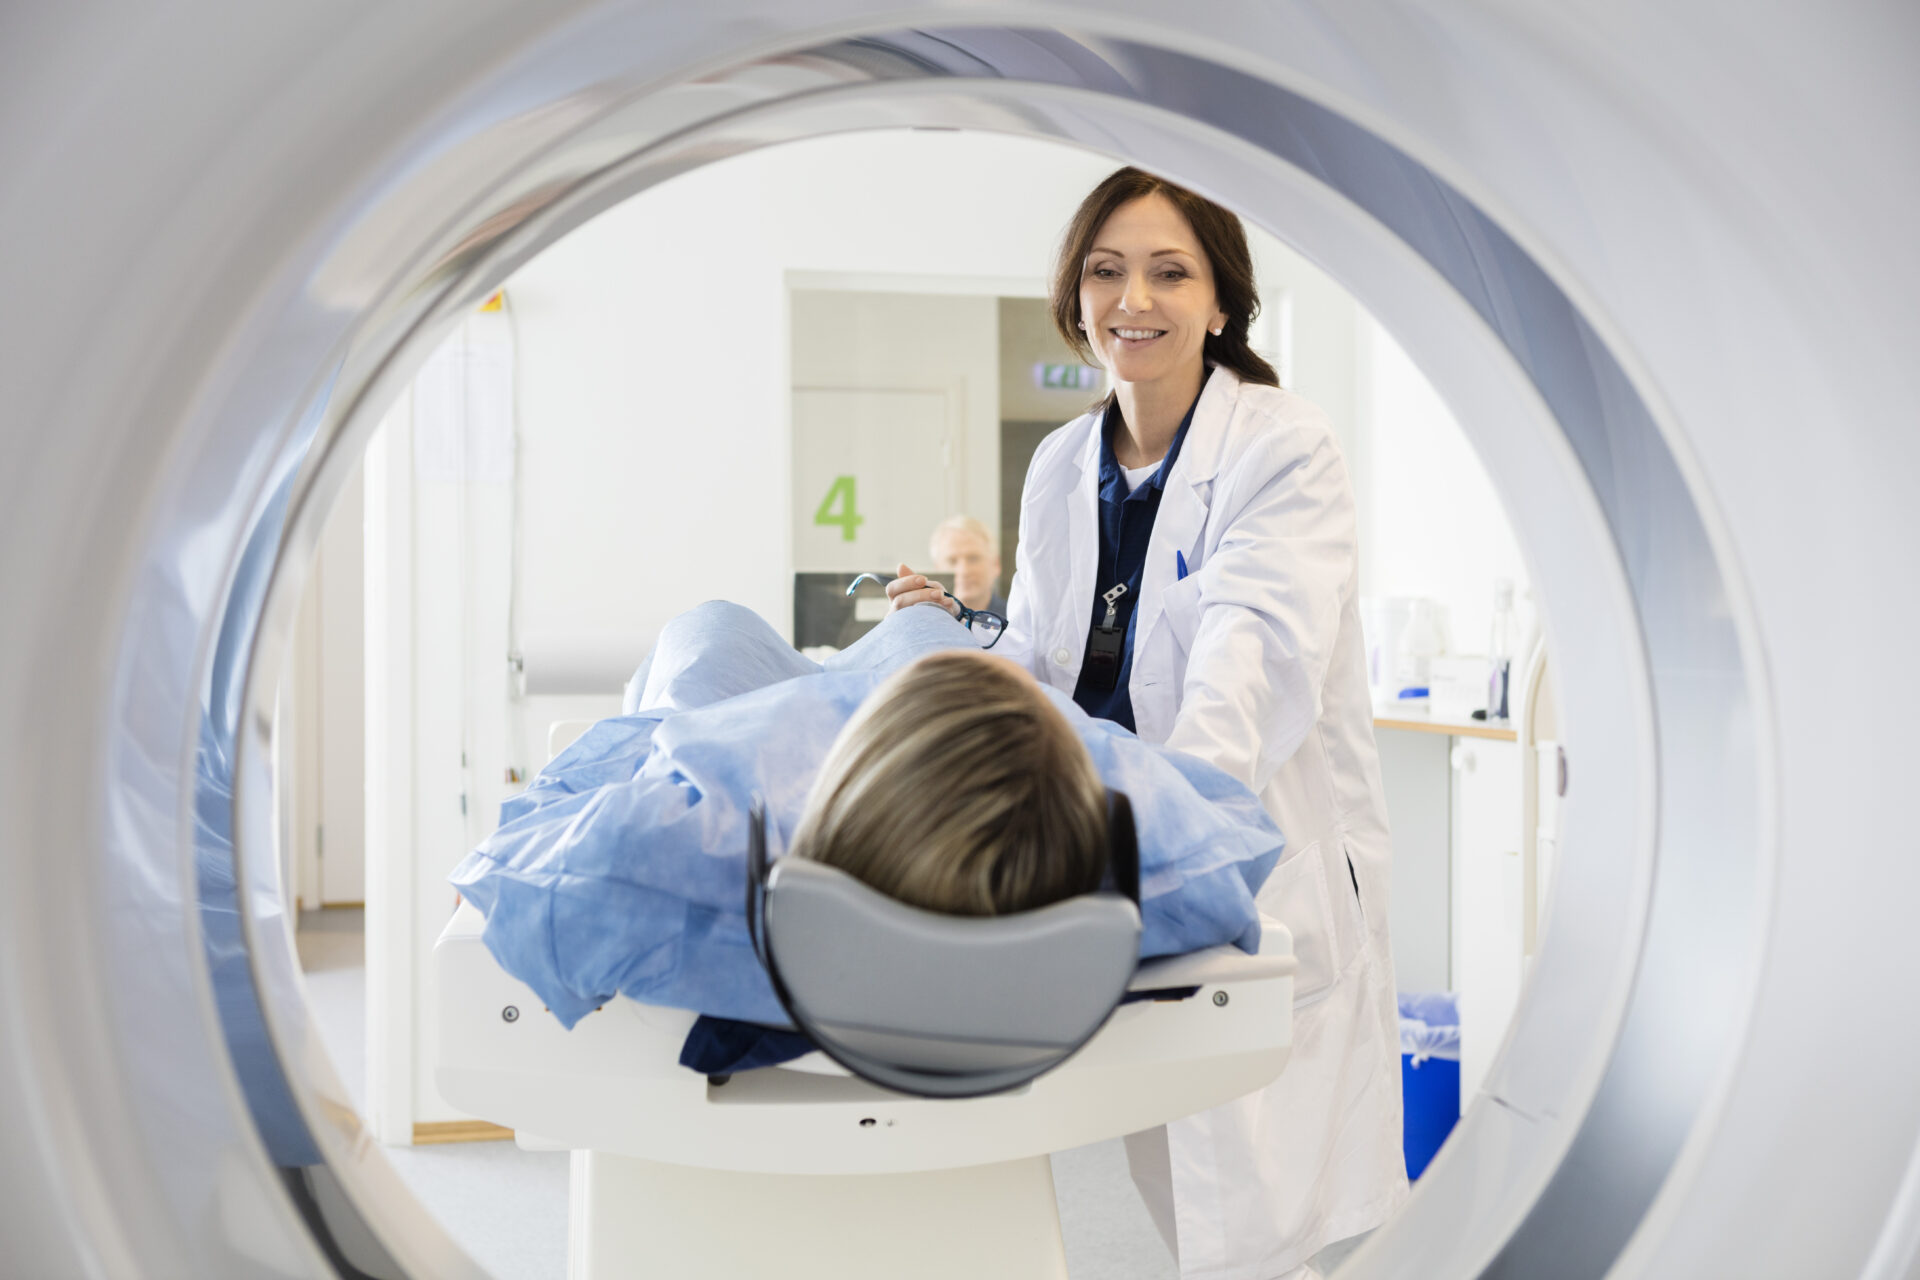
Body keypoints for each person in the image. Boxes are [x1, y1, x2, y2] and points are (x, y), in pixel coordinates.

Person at [887, 168, 1405, 1280]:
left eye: (1172, 271)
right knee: (1172, 1179)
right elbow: (1046, 653)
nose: (1136, 298)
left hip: (1238, 859)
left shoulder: (1282, 445)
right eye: (1108, 271)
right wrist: (956, 643)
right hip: (1113, 854)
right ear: (1076, 298)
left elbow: (1249, 660)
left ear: (1222, 303)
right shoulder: (1062, 464)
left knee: (1261, 1215)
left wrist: (1169, 825)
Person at [924, 514, 1008, 618]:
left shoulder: (1019, 623)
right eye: (952, 561)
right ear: (937, 569)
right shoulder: (927, 622)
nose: (963, 571)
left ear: (996, 565)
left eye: (973, 558)